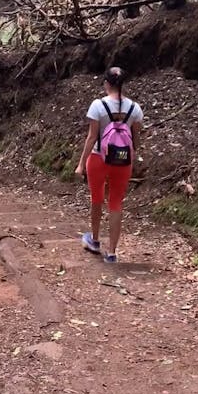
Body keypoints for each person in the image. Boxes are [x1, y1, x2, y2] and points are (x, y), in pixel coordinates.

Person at [75, 66, 143, 262]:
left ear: (106, 83)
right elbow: (136, 139)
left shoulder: (98, 106)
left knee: (96, 198)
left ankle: (94, 241)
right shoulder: (135, 109)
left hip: (98, 158)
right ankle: (112, 252)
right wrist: (132, 154)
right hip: (123, 160)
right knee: (116, 202)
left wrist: (80, 164)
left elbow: (91, 137)